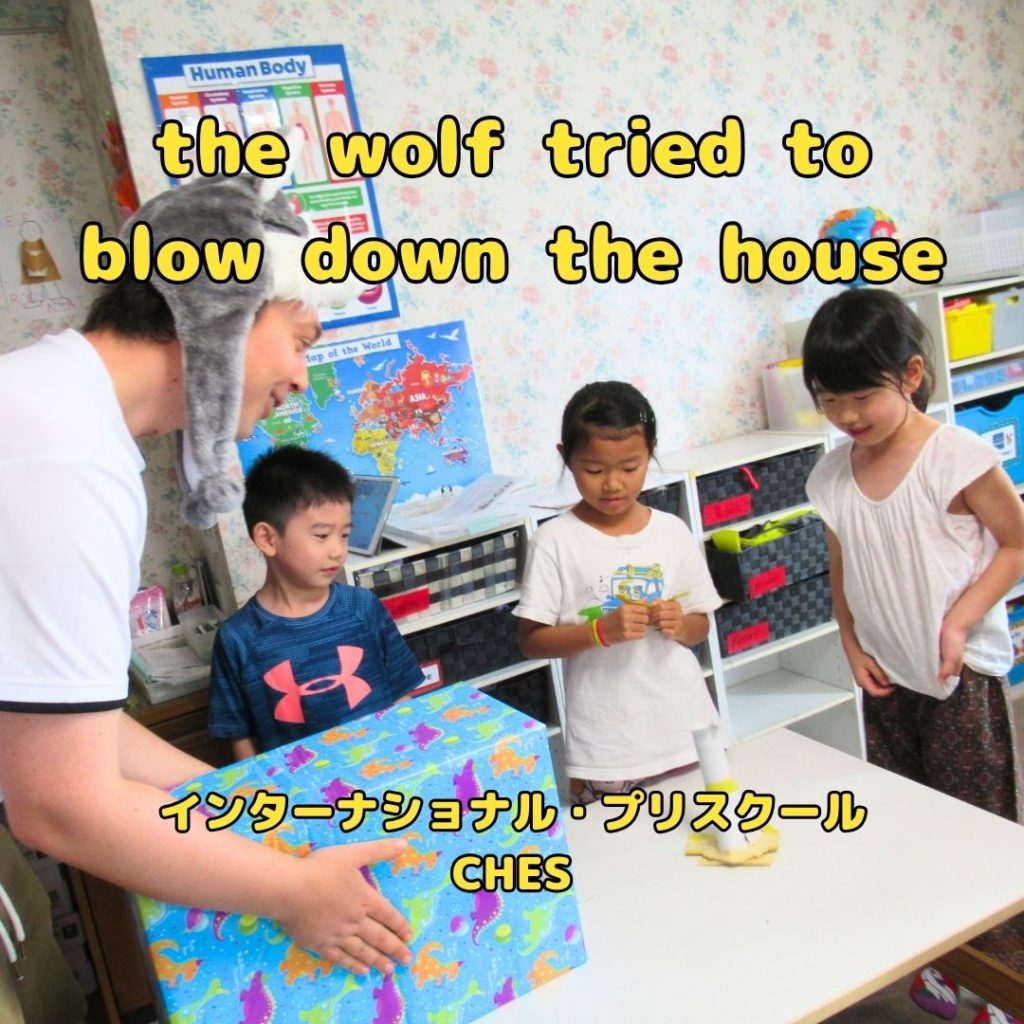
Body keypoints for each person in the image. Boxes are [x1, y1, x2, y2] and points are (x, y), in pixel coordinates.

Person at [0, 169, 413, 984]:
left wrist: (246, 803)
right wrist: (295, 891)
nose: (301, 378)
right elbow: (59, 803)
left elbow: (60, 724)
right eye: (301, 340)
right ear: (226, 306)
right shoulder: (64, 458)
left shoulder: (52, 405)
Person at [802, 287, 1024, 1022]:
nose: (847, 415)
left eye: (863, 395)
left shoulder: (955, 457)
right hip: (888, 679)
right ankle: (941, 961)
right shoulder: (831, 475)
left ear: (913, 374)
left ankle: (1005, 984)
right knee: (912, 826)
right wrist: (850, 641)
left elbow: (1015, 543)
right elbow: (843, 569)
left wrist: (959, 623)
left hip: (960, 679)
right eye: (829, 399)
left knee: (981, 832)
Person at [514, 381, 723, 804]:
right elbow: (531, 641)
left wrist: (680, 624)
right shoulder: (555, 541)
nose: (612, 484)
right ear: (566, 458)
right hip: (606, 748)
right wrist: (599, 632)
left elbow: (700, 625)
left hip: (685, 730)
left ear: (650, 453)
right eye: (594, 470)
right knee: (615, 841)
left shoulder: (671, 531)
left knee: (699, 829)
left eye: (630, 468)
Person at [208, 445, 424, 760]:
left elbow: (403, 693)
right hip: (301, 784)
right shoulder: (238, 638)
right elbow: (239, 736)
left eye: (345, 535)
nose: (338, 551)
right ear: (268, 539)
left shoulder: (362, 608)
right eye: (322, 536)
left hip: (385, 768)